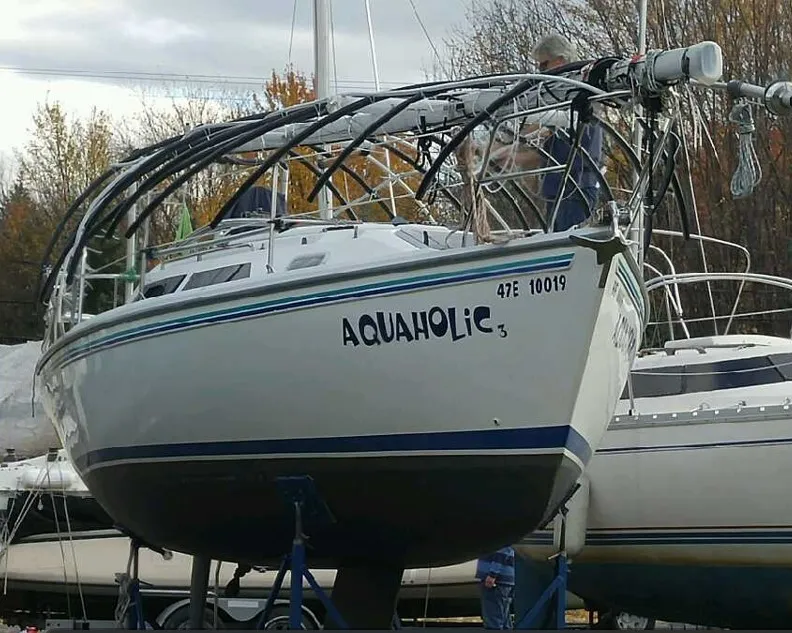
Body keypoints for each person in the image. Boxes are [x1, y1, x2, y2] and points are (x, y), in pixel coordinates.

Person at [531, 32, 604, 232]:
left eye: (543, 64)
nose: (540, 71)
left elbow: (541, 132)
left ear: (560, 61)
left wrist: (501, 152)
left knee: (569, 240)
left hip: (575, 191)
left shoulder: (577, 96)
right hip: (559, 191)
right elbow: (539, 150)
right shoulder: (560, 100)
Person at [476, 545, 516, 629]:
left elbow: (502, 550)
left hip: (496, 580)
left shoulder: (499, 536)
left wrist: (493, 574)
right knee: (504, 617)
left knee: (493, 617)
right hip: (504, 579)